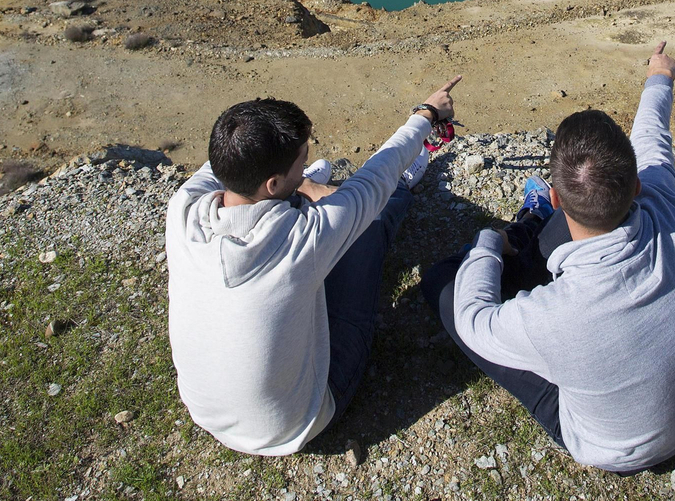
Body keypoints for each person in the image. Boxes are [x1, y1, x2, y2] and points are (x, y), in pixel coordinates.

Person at [420, 42, 675, 473]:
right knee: (563, 233)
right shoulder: (665, 200)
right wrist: (660, 76)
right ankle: (531, 229)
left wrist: (488, 242)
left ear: (558, 196)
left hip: (618, 450)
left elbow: (473, 320)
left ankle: (525, 226)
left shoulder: (553, 317)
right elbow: (653, 134)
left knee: (443, 284)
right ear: (636, 186)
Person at [165, 75, 461, 455]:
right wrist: (426, 113)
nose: (304, 163)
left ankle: (309, 189)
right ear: (272, 184)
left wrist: (292, 170)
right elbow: (374, 178)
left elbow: (233, 160)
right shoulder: (301, 240)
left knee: (320, 210)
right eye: (301, 163)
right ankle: (405, 186)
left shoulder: (183, 208)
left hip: (205, 410)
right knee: (372, 221)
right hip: (296, 421)